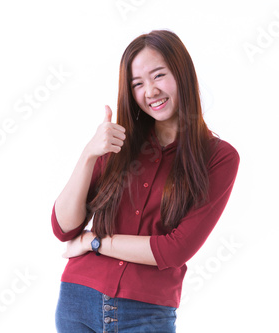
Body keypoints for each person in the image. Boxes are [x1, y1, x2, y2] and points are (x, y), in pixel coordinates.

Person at [51, 29, 240, 332]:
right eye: (137, 83)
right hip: (78, 300)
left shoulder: (219, 158)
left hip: (147, 313)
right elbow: (63, 228)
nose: (149, 91)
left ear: (183, 74)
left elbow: (174, 250)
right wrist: (89, 154)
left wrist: (93, 241)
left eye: (158, 76)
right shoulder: (118, 143)